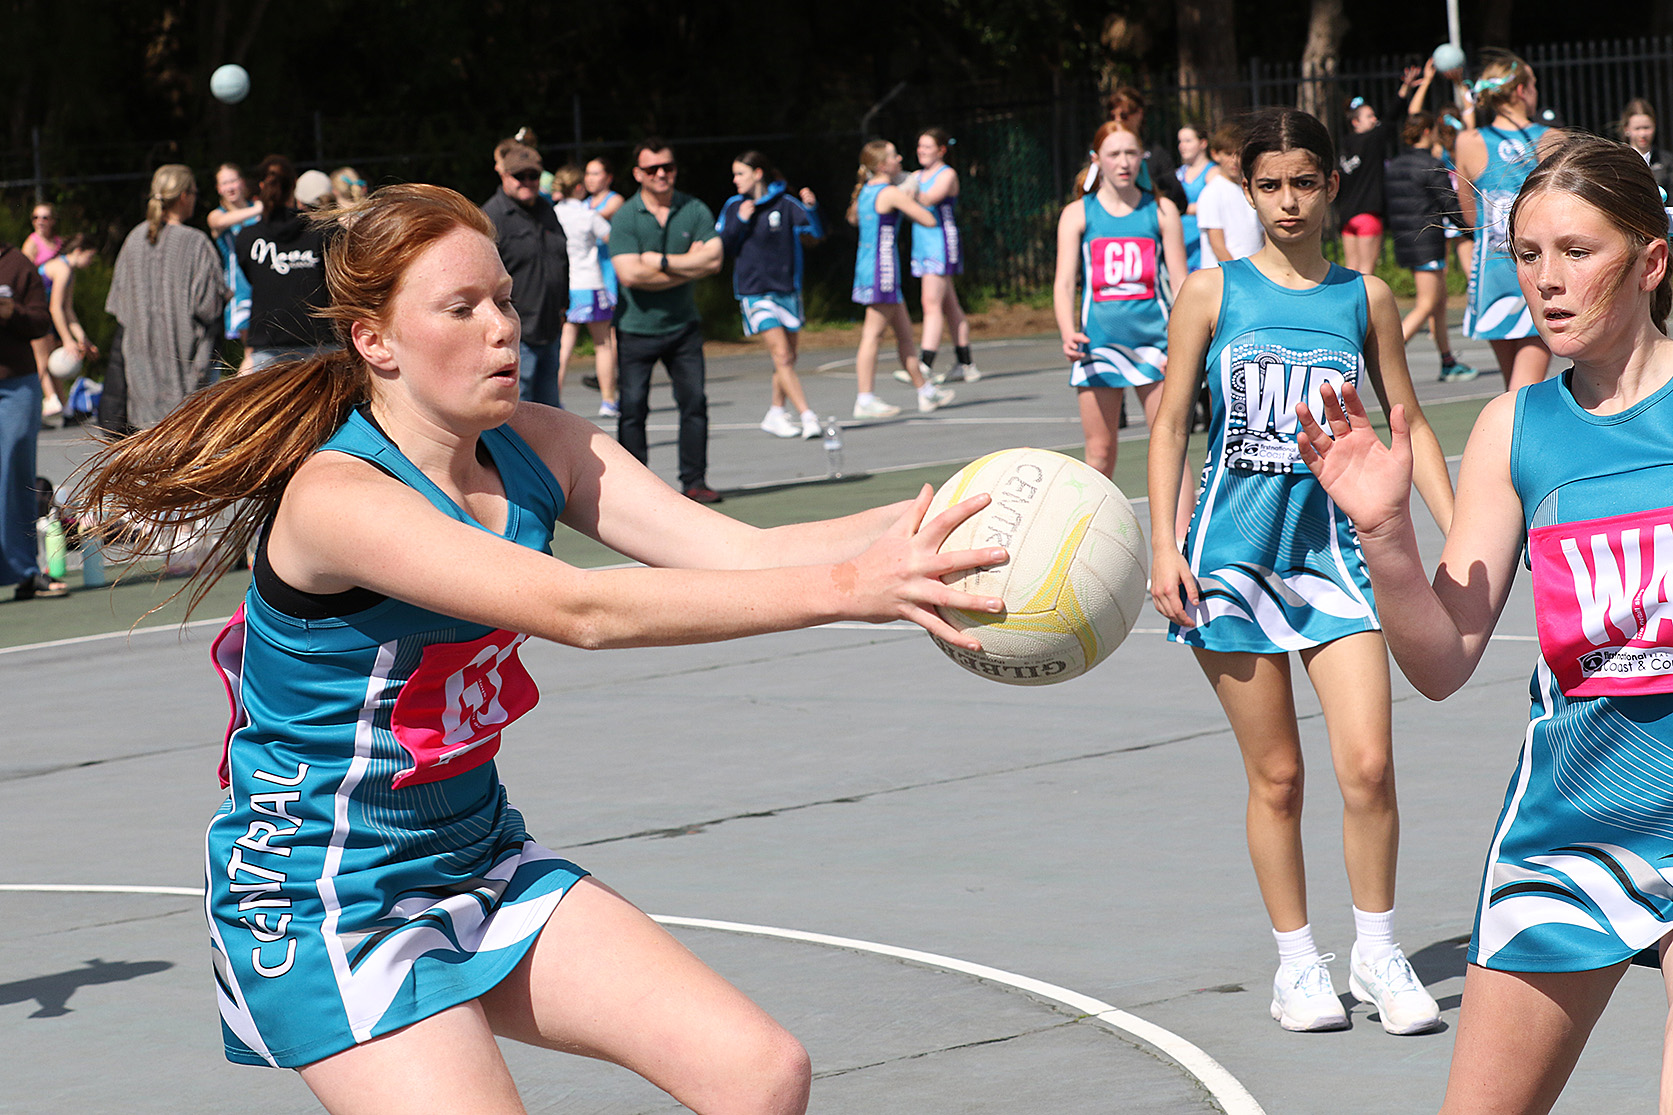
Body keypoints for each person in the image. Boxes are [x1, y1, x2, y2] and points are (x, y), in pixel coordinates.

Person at [72, 181, 1008, 1113]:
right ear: (375, 341)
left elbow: (742, 551)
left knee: (759, 1072)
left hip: (474, 854)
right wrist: (855, 592)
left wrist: (955, 512)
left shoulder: (540, 444)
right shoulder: (339, 498)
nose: (501, 327)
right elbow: (582, 610)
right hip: (323, 896)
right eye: (461, 307)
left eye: (506, 300)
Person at [1296, 134, 1673, 1114]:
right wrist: (1381, 534)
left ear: (1649, 258)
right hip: (1569, 822)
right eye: (1525, 253)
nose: (1545, 282)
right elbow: (1440, 657)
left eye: (1575, 251)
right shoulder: (1514, 428)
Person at [1147, 107, 1456, 1037]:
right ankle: (1296, 964)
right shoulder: (1210, 292)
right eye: (1269, 185)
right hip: (1230, 560)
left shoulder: (1363, 299)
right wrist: (1162, 542)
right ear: (1249, 190)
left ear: (1330, 184)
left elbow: (1407, 422)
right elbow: (1167, 422)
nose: (1287, 201)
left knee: (1368, 764)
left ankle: (1377, 949)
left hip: (1333, 559)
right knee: (1277, 775)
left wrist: (1459, 535)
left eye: (1304, 182)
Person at [1052, 120, 1190, 542]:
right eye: (1114, 154)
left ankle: (1182, 545)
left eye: (1131, 153)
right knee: (1100, 453)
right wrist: (1066, 330)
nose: (1124, 162)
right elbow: (1063, 282)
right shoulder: (1078, 214)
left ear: (1141, 157)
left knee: (1169, 446)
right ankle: (1092, 547)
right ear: (1097, 161)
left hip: (1154, 346)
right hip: (1099, 346)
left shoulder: (1161, 210)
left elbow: (1182, 282)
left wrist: (1184, 342)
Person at [609, 138, 725, 502]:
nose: (661, 174)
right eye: (652, 169)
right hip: (635, 328)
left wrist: (659, 261)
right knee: (632, 409)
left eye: (668, 167)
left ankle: (695, 481)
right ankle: (634, 491)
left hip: (683, 327)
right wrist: (690, 267)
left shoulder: (694, 209)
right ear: (638, 174)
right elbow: (629, 275)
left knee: (694, 403)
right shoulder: (627, 216)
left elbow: (716, 260)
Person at [1457, 49, 1563, 391]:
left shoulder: (1469, 141)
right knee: (1525, 388)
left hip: (1493, 269)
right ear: (1520, 90)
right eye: (1532, 83)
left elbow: (1469, 215)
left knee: (1513, 386)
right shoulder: (1551, 139)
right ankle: (1510, 443)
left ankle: (1510, 439)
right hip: (1535, 267)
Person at [105, 165, 225, 429]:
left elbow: (120, 309)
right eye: (194, 192)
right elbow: (209, 309)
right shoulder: (196, 243)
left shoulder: (133, 240)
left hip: (140, 377)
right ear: (183, 196)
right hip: (188, 376)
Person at [716, 150, 824, 440]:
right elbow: (721, 248)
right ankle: (807, 415)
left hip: (787, 290)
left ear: (758, 173)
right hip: (754, 293)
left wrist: (811, 208)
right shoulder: (734, 206)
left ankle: (776, 412)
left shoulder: (786, 204)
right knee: (781, 353)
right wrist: (739, 220)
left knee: (788, 357)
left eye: (740, 173)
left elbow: (814, 236)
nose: (735, 180)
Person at [847, 139, 954, 420]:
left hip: (874, 267)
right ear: (883, 165)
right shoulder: (890, 193)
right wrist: (913, 190)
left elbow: (854, 218)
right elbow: (929, 220)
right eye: (895, 156)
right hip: (882, 270)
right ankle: (865, 397)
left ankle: (925, 392)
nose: (900, 159)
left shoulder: (867, 191)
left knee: (905, 336)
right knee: (873, 335)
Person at [1384, 110, 1476, 382]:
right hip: (1426, 240)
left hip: (1406, 240)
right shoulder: (1431, 164)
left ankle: (1447, 361)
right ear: (1427, 132)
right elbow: (1450, 205)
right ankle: (1382, 355)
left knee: (1439, 302)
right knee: (1426, 304)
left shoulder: (1396, 165)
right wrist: (1472, 232)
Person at [483, 142, 569, 410]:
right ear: (504, 175)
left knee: (549, 411)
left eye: (533, 176)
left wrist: (563, 305)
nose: (527, 182)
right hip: (516, 333)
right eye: (519, 176)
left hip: (549, 327)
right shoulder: (492, 217)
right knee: (518, 412)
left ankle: (544, 455)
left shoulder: (546, 210)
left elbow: (559, 258)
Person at [0, 234, 60, 599]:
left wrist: (10, 312)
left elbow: (41, 322)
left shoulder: (16, 264)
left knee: (13, 474)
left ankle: (25, 570)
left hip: (14, 387)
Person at [236, 156, 336, 372]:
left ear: (261, 186)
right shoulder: (323, 233)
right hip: (321, 341)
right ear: (294, 187)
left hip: (268, 343)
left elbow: (250, 275)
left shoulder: (247, 238)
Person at [907, 128, 980, 385]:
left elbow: (927, 199)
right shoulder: (916, 176)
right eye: (919, 147)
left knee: (931, 303)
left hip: (940, 242)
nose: (922, 152)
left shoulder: (947, 174)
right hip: (922, 244)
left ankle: (925, 364)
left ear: (941, 150)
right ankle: (966, 363)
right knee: (949, 305)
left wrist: (903, 187)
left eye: (927, 147)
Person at [549, 164, 618, 419]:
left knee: (564, 345)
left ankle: (554, 398)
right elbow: (613, 238)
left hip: (567, 284)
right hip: (590, 282)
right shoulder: (587, 215)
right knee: (603, 344)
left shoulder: (552, 213)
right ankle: (609, 400)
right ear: (578, 187)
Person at [1337, 70, 1419, 277]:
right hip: (1367, 216)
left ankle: (1349, 310)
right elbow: (1391, 117)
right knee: (1366, 273)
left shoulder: (1344, 145)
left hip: (1348, 218)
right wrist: (1405, 89)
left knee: (1350, 270)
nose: (1375, 119)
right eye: (1369, 116)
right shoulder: (1372, 140)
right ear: (1355, 122)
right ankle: (1365, 310)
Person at [30, 234, 100, 418]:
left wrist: (83, 340)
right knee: (42, 362)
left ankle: (64, 408)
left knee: (53, 363)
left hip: (45, 316)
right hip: (35, 315)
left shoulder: (69, 271)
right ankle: (41, 403)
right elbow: (55, 308)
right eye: (90, 256)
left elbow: (68, 310)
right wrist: (69, 340)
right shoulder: (62, 269)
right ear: (78, 251)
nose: (91, 261)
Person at [207, 163, 263, 374]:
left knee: (266, 349)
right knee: (254, 350)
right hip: (240, 290)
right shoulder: (218, 215)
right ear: (218, 189)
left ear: (242, 182)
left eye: (233, 181)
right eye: (224, 183)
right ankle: (241, 399)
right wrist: (258, 209)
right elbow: (218, 223)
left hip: (265, 285)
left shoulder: (257, 208)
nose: (230, 187)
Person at [579, 157, 624, 400]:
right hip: (588, 271)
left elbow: (594, 218)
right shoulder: (583, 203)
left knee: (610, 331)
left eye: (596, 173)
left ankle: (610, 375)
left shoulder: (614, 200)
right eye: (587, 173)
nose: (590, 179)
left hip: (608, 271)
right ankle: (608, 373)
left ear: (608, 177)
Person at [1196, 121, 1264, 268]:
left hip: (1254, 272)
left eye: (1239, 154)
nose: (1235, 161)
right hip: (1224, 277)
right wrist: (1237, 273)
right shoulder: (1212, 192)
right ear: (1215, 154)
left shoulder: (1250, 189)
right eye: (1228, 154)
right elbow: (1217, 245)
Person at [1176, 123, 1215, 273]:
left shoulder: (1213, 173)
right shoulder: (1178, 174)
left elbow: (1214, 205)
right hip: (1182, 245)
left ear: (1203, 143)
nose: (1182, 146)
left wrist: (1181, 208)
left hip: (1203, 246)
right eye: (1180, 141)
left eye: (1188, 141)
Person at [1620, 98, 1673, 196]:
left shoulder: (1668, 161)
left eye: (1646, 127)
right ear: (1626, 129)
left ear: (1654, 126)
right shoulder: (1618, 160)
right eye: (1637, 128)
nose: (1642, 134)